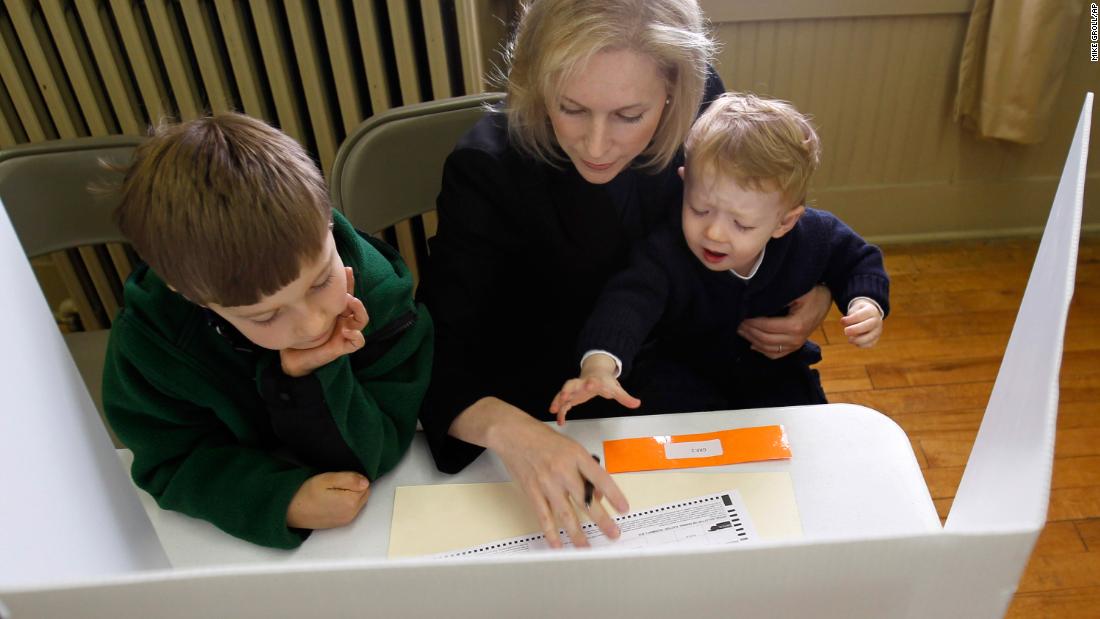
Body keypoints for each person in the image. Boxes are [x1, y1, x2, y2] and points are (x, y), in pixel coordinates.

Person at [417, 0, 834, 550]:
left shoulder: (703, 105)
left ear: (675, 91)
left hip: (689, 381)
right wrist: (515, 433)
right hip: (557, 407)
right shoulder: (487, 169)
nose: (596, 145)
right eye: (570, 108)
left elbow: (764, 212)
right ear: (538, 83)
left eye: (629, 116)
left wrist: (816, 288)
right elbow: (438, 358)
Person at [101, 113, 433, 549]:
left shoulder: (378, 290)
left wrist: (314, 376)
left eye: (319, 281)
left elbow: (381, 446)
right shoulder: (153, 343)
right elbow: (170, 462)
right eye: (264, 316)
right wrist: (278, 499)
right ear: (190, 296)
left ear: (327, 224)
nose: (313, 323)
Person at [550, 93, 889, 422]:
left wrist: (865, 303)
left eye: (741, 224)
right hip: (680, 371)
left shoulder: (815, 236)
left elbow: (858, 259)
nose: (713, 233)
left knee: (802, 433)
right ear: (685, 184)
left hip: (772, 371)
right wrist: (599, 365)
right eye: (700, 209)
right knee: (664, 426)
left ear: (784, 221)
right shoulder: (666, 250)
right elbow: (627, 303)